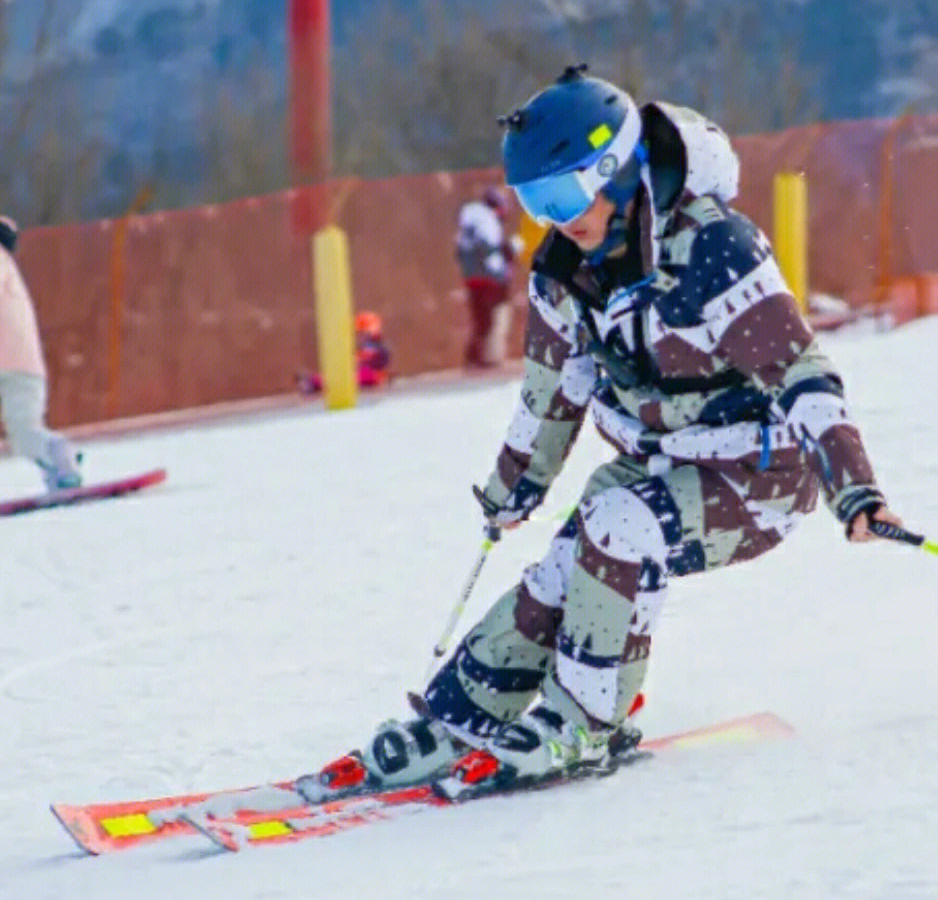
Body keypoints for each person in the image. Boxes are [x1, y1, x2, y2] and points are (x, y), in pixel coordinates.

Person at [323, 65, 903, 796]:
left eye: (565, 193)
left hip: (759, 473)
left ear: (618, 170)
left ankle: (584, 723)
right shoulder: (564, 272)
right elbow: (551, 396)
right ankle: (458, 719)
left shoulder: (712, 248)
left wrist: (855, 489)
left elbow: (801, 374)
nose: (558, 217)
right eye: (537, 202)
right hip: (655, 464)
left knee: (621, 525)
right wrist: (513, 487)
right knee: (567, 569)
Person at [0, 216, 82, 492]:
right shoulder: (8, 265)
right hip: (26, 362)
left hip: (9, 362)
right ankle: (57, 461)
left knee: (24, 433)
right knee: (25, 432)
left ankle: (57, 455)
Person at [455, 183, 521, 369]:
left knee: (480, 318)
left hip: (471, 276)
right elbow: (490, 242)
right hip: (491, 277)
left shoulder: (467, 220)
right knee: (491, 318)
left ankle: (475, 357)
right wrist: (508, 250)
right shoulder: (486, 219)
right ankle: (487, 357)